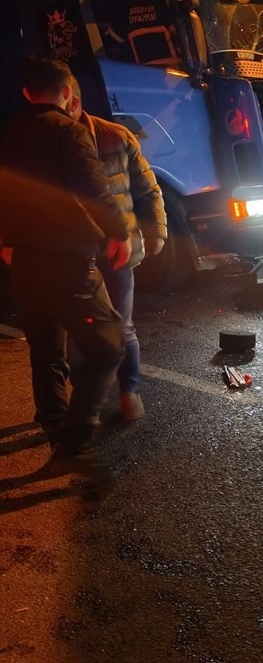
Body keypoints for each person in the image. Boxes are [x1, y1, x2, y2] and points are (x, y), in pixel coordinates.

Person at [0, 57, 131, 485]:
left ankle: (56, 431)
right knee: (109, 344)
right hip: (68, 262)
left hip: (23, 263)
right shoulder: (69, 132)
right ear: (69, 95)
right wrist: (119, 231)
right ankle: (74, 447)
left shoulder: (8, 134)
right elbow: (93, 187)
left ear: (26, 93)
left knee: (46, 348)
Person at [67, 77, 167, 421]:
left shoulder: (115, 136)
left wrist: (157, 231)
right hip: (74, 254)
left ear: (74, 101)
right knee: (77, 332)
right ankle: (85, 405)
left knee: (122, 326)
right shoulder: (56, 142)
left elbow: (147, 188)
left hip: (116, 252)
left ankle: (130, 393)